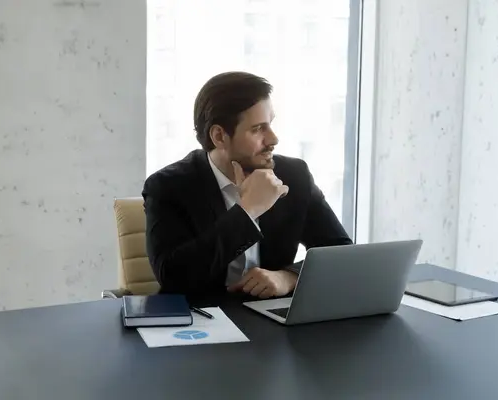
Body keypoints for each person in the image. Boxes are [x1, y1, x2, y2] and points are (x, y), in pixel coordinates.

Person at [142, 71, 352, 303]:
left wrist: (289, 277)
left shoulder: (294, 175)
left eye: (270, 124)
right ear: (219, 136)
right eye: (258, 129)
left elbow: (341, 252)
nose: (273, 139)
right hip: (200, 320)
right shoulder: (168, 186)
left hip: (272, 320)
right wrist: (248, 210)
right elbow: (173, 277)